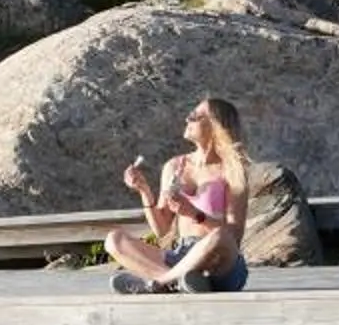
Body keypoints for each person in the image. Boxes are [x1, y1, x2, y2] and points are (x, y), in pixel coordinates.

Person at [107, 95, 251, 293]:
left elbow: (234, 236)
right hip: (182, 254)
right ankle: (180, 281)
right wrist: (144, 191)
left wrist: (194, 214)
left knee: (220, 236)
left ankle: (159, 282)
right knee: (114, 240)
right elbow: (162, 230)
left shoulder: (232, 169)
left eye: (195, 115)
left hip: (218, 262)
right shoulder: (175, 166)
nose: (187, 119)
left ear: (215, 125)